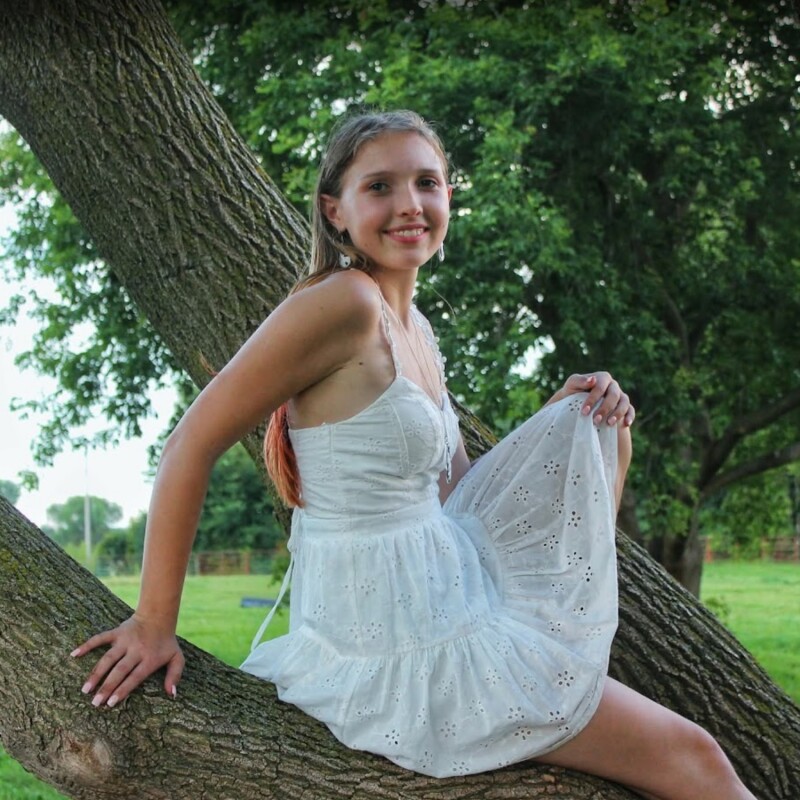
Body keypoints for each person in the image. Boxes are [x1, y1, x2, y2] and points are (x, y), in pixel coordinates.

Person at [72, 110, 756, 800]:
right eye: (380, 187)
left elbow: (457, 494)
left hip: (447, 596)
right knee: (693, 757)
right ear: (335, 211)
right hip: (395, 639)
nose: (409, 205)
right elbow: (190, 444)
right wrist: (154, 623)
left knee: (596, 419)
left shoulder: (416, 329)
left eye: (427, 183)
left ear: (449, 198)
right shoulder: (345, 302)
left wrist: (563, 417)